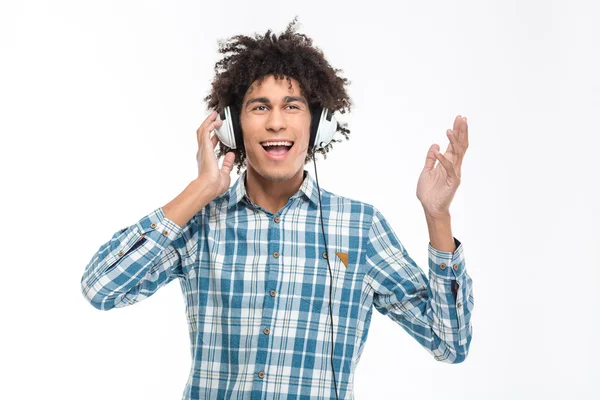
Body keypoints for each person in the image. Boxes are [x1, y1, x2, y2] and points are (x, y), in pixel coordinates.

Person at [81, 17, 474, 400]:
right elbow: (101, 288)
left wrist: (437, 218)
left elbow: (449, 344)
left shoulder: (360, 228)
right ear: (232, 127)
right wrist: (200, 190)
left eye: (292, 106)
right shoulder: (200, 221)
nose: (275, 123)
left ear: (318, 124)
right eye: (258, 107)